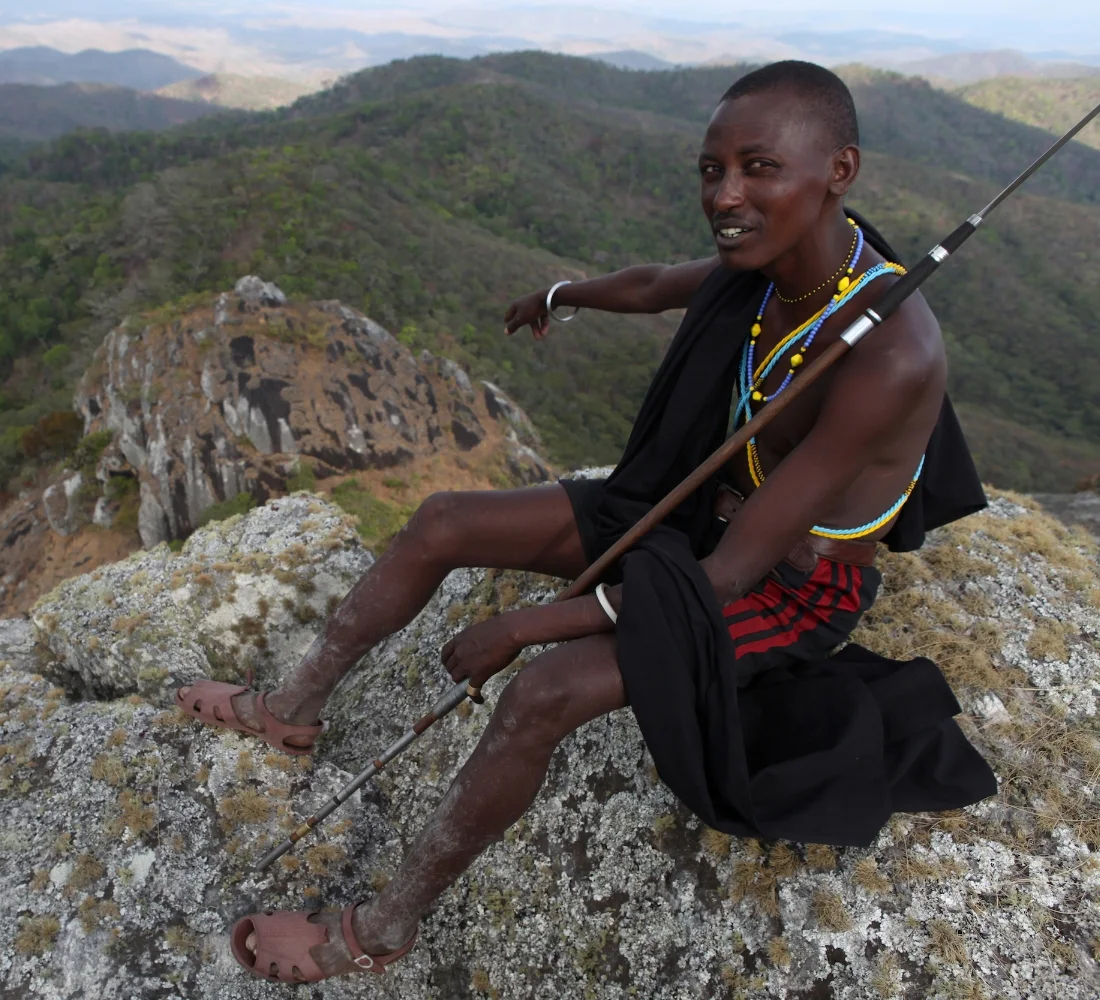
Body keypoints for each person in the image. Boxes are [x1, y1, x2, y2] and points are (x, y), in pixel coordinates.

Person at [174, 60, 997, 984]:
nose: (726, 195)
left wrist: (521, 627)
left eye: (759, 168)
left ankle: (381, 927)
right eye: (711, 169)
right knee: (443, 520)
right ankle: (291, 709)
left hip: (782, 580)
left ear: (838, 168)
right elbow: (655, 284)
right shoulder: (768, 268)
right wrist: (562, 295)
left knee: (543, 694)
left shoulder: (887, 354)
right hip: (695, 513)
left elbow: (724, 579)